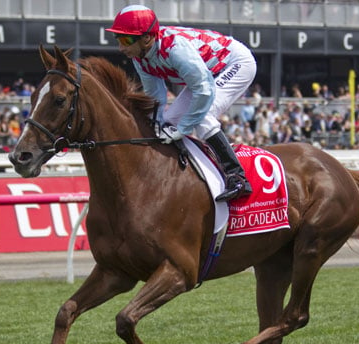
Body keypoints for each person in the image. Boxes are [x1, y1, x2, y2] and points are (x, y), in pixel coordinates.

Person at [106, 5, 255, 201]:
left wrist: (184, 128)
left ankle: (237, 177)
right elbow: (155, 95)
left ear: (147, 38)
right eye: (118, 40)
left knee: (203, 116)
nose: (121, 48)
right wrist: (158, 125)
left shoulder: (175, 49)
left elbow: (204, 90)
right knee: (168, 121)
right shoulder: (139, 56)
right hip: (206, 73)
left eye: (126, 40)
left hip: (235, 63)